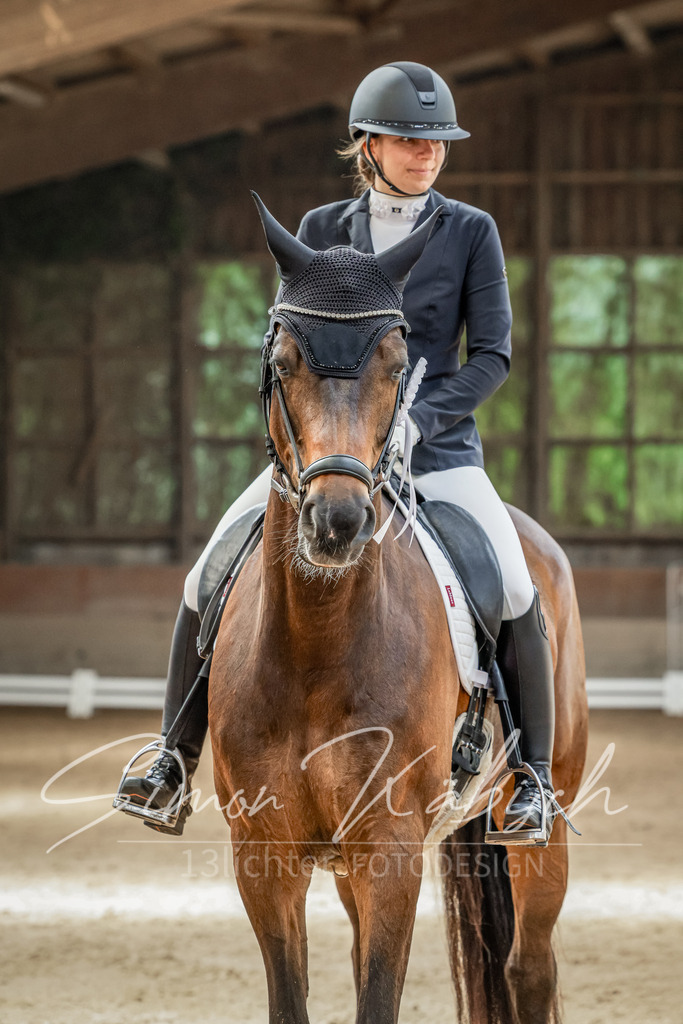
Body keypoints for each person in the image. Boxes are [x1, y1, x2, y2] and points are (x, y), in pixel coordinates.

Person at [115, 61, 557, 845]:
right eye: (409, 140)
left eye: (437, 142)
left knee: (518, 585)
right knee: (205, 573)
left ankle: (532, 781)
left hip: (436, 453)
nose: (427, 154)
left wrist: (419, 416)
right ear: (368, 143)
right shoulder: (319, 232)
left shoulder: (469, 232)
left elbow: (491, 355)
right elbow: (287, 350)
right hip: (327, 456)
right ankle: (171, 760)